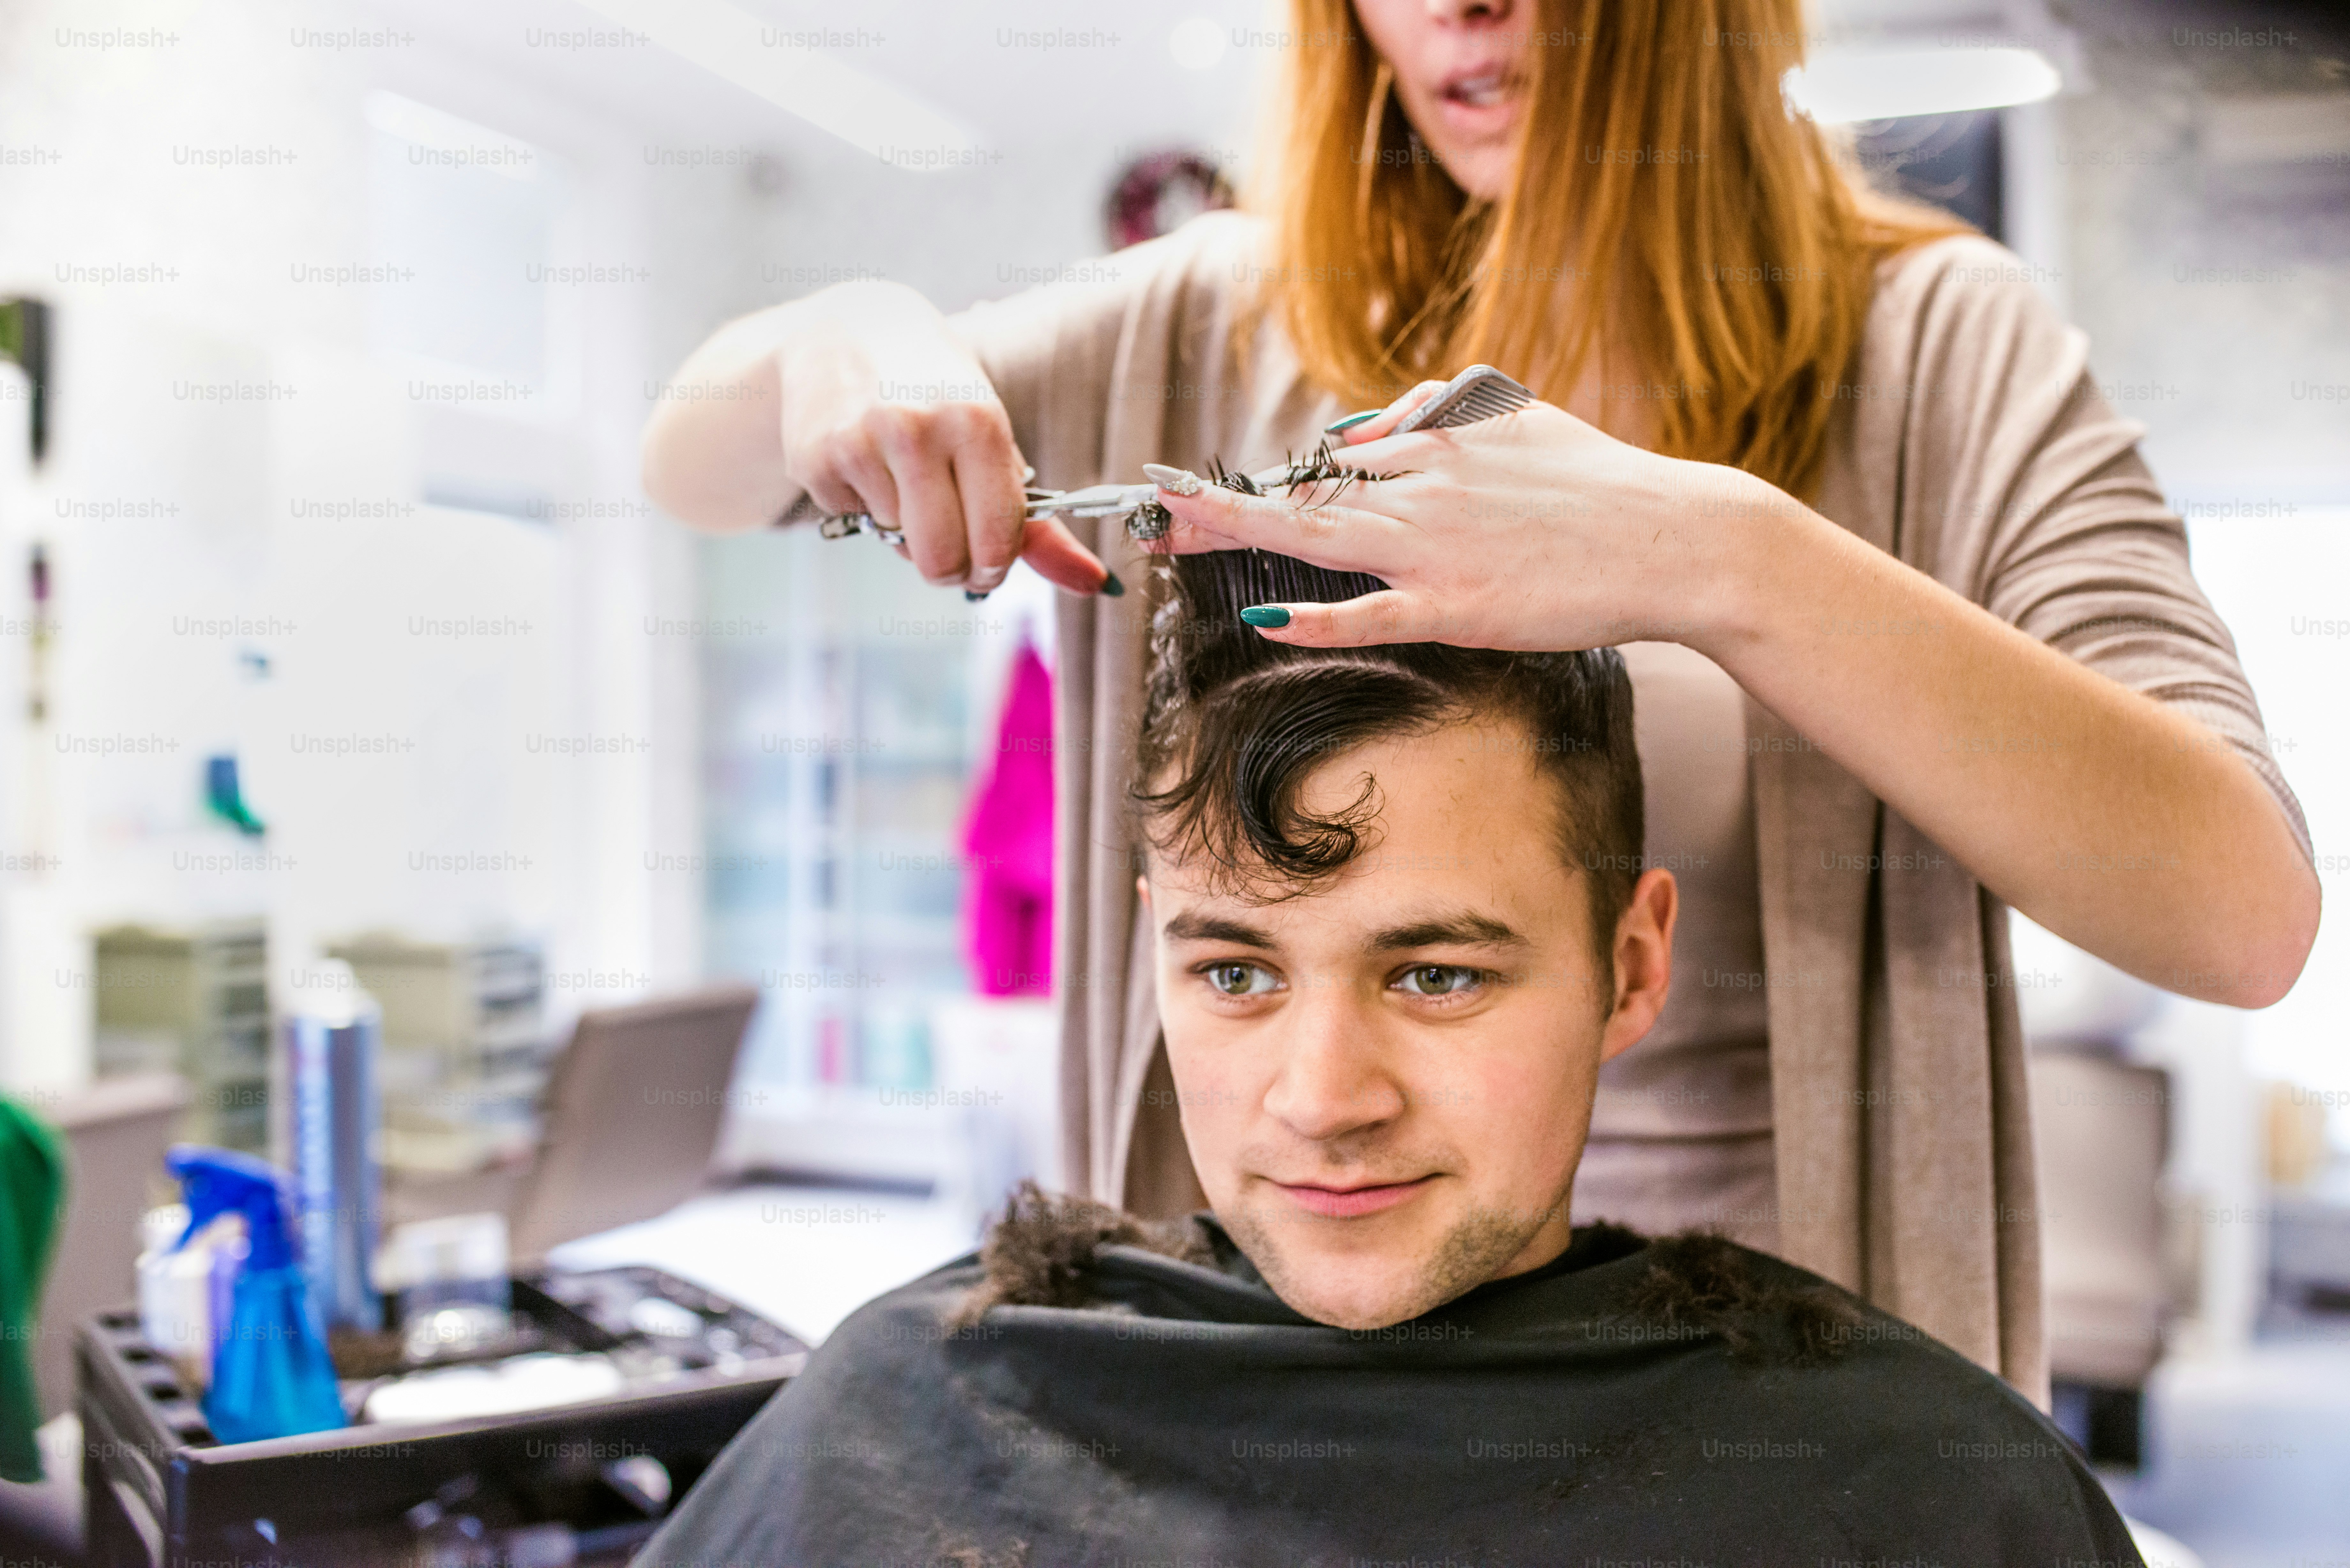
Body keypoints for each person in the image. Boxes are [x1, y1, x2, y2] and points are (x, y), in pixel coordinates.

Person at [641, 0, 2318, 1398]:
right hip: (1272, 1390)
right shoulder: (1207, 320)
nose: (1462, 8)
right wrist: (839, 338)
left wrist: (1728, 561)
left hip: (1763, 1399)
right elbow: (697, 463)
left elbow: (2239, 910)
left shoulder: (1936, 345)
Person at [629, 539, 2146, 1566]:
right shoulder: (913, 1411)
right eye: (1235, 970)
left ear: (1629, 966)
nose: (1321, 1100)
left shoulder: (1905, 1483)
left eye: (1434, 974)